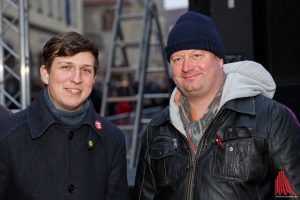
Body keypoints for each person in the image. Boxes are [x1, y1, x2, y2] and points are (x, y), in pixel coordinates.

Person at [134, 11, 300, 199]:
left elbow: (292, 193)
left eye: (197, 55)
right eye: (177, 59)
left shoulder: (271, 117)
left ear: (220, 60)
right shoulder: (157, 129)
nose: (187, 67)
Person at [0, 31, 129, 199]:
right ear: (45, 74)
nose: (77, 78)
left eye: (86, 70)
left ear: (94, 78)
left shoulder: (113, 139)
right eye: (66, 67)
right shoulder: (7, 135)